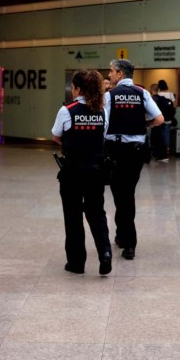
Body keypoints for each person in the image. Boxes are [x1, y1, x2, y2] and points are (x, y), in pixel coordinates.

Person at [51, 69, 112, 275]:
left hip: (73, 172)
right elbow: (102, 136)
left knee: (73, 216)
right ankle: (105, 254)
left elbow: (56, 136)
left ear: (76, 88)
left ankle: (76, 263)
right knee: (97, 213)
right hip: (96, 171)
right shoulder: (102, 111)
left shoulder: (67, 110)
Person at [104, 59, 164, 260]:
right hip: (136, 152)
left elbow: (104, 125)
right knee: (126, 193)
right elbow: (159, 119)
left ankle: (129, 242)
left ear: (120, 74)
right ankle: (122, 236)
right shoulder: (143, 93)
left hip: (115, 150)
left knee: (120, 194)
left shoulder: (110, 95)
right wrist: (141, 124)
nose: (109, 75)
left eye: (111, 72)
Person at [150, 82, 175, 162]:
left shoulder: (153, 98)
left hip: (156, 122)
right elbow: (174, 106)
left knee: (156, 138)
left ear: (151, 90)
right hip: (165, 120)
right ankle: (165, 152)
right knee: (163, 136)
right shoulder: (162, 98)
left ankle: (158, 154)